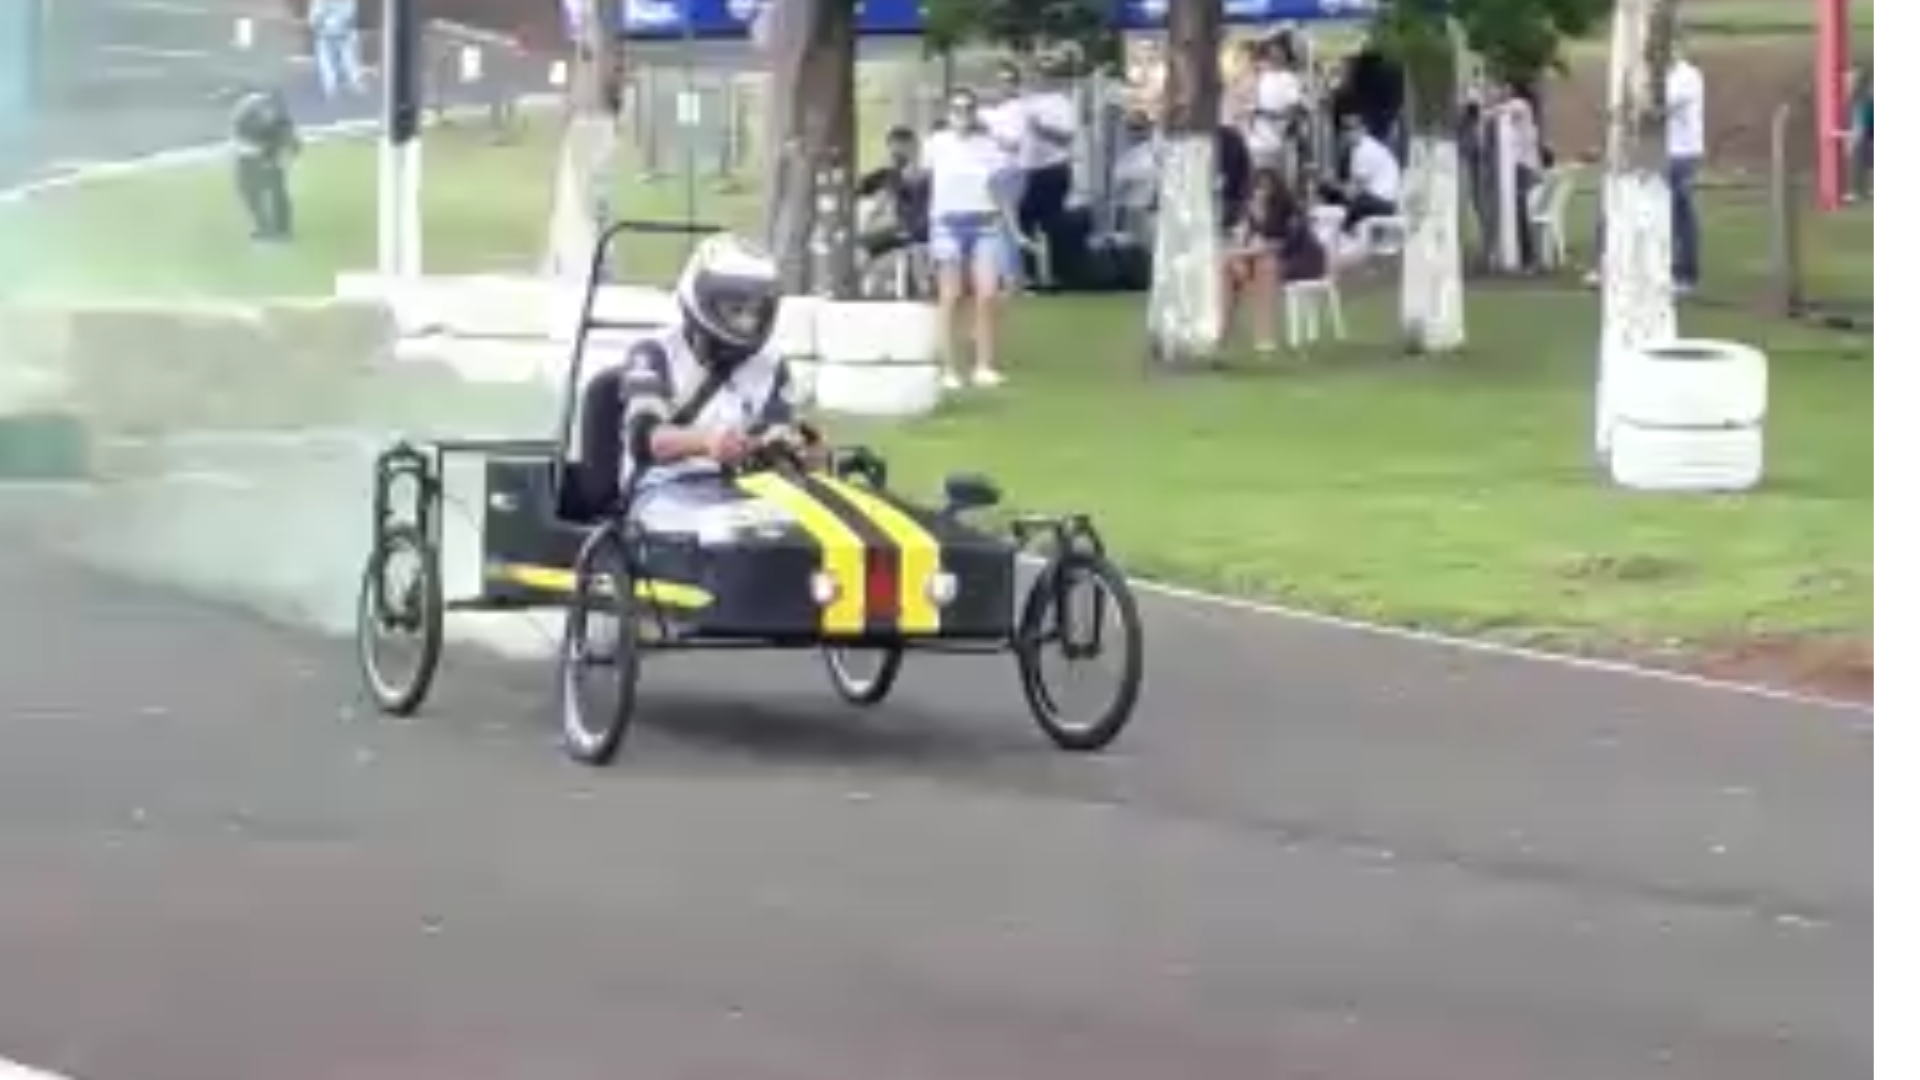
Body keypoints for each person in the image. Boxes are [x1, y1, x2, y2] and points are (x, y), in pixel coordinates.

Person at [618, 234, 822, 516]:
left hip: (745, 494)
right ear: (702, 298)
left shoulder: (772, 365)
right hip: (662, 488)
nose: (748, 322)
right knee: (716, 530)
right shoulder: (654, 352)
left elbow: (776, 434)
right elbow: (645, 439)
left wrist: (797, 449)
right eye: (736, 309)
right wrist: (706, 442)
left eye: (756, 311)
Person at [923, 88, 1013, 390]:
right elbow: (928, 176)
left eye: (968, 108)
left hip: (985, 222)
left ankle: (983, 365)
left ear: (975, 112)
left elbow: (1000, 182)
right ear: (948, 112)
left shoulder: (988, 144)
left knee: (987, 295)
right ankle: (949, 369)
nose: (962, 114)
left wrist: (1008, 221)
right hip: (947, 224)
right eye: (956, 109)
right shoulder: (936, 143)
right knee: (951, 295)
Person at [227, 84, 301, 241]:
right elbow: (241, 142)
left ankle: (279, 229)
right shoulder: (245, 113)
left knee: (273, 189)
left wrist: (282, 155)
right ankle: (267, 227)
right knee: (254, 191)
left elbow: (289, 135)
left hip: (265, 148)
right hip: (252, 151)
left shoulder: (274, 113)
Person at [1321, 114, 1400, 234]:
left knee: (1352, 207)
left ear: (1363, 129)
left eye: (1353, 129)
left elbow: (1352, 193)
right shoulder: (1359, 149)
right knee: (1337, 199)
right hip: (1376, 199)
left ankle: (1343, 235)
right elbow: (1352, 189)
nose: (1349, 134)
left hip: (1382, 203)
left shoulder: (1366, 150)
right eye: (1346, 130)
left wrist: (1331, 184)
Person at [308, 0, 363, 101]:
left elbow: (314, 17)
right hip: (342, 31)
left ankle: (330, 86)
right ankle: (352, 80)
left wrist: (317, 24)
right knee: (348, 56)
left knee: (327, 59)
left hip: (325, 31)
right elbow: (351, 14)